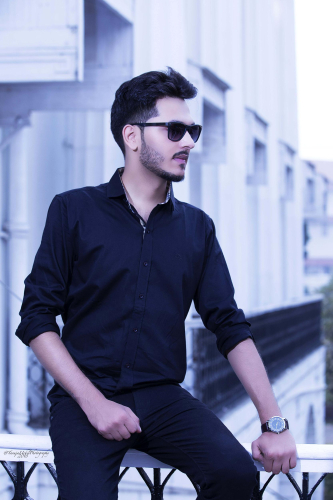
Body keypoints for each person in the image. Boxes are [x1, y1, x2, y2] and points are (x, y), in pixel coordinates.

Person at [15, 67, 297, 500]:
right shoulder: (73, 210)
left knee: (236, 474)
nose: (188, 142)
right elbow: (36, 317)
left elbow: (229, 325)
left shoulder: (197, 228)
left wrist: (273, 422)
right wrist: (94, 403)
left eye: (192, 131)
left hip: (163, 398)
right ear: (132, 136)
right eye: (175, 130)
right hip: (83, 400)